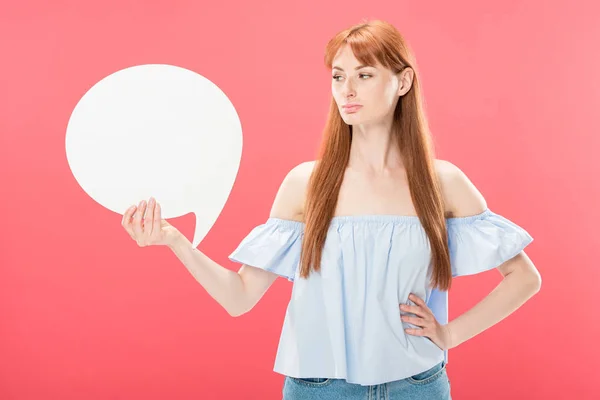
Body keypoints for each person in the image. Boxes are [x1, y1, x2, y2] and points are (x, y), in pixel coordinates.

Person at [121, 19, 542, 400]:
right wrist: (174, 240)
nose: (347, 90)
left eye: (364, 74)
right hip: (319, 390)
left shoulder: (442, 182)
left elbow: (524, 277)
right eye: (339, 77)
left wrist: (450, 334)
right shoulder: (306, 183)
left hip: (417, 386)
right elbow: (239, 297)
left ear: (403, 82)